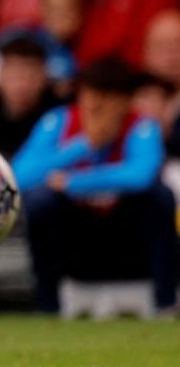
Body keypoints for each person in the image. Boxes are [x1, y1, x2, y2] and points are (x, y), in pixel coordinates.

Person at [13, 59, 175, 315]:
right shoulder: (58, 122)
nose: (96, 105)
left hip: (125, 233)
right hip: (74, 232)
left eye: (108, 97)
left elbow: (141, 176)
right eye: (91, 95)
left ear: (125, 101)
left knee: (160, 198)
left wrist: (74, 182)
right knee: (39, 202)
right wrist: (84, 144)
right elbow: (19, 177)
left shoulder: (142, 127)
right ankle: (47, 306)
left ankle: (165, 303)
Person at [0, 35, 59, 158]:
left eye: (31, 77)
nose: (22, 85)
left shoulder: (59, 117)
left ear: (45, 79)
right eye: (14, 77)